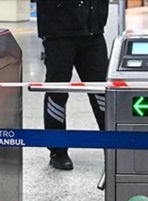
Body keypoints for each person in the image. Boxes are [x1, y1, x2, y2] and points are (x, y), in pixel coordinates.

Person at [36, 0, 109, 170]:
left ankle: (112, 144)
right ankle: (57, 150)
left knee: (102, 92)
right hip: (58, 32)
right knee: (57, 92)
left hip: (93, 30)